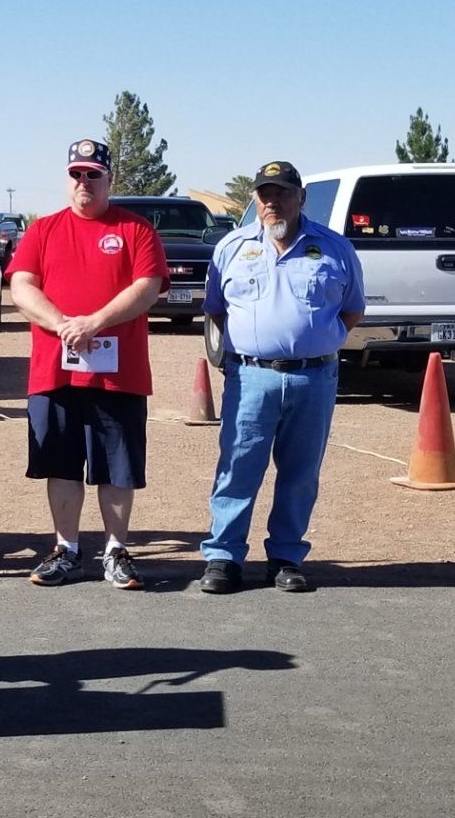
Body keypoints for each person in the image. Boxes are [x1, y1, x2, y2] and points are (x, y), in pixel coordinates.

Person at [5, 139, 166, 590]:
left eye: (93, 174)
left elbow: (148, 287)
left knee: (117, 466)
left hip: (118, 374)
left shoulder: (136, 230)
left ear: (108, 179)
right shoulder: (42, 230)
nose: (84, 182)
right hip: (54, 372)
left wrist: (95, 322)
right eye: (76, 174)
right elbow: (22, 288)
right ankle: (67, 549)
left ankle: (115, 550)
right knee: (60, 464)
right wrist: (64, 326)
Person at [198, 161, 365, 594]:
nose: (273, 202)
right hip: (251, 377)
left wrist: (316, 342)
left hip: (314, 378)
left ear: (301, 198)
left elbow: (352, 308)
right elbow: (216, 308)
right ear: (254, 198)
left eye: (283, 193)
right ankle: (223, 557)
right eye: (264, 194)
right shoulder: (231, 247)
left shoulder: (335, 248)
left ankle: (286, 557)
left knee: (301, 472)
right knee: (237, 466)